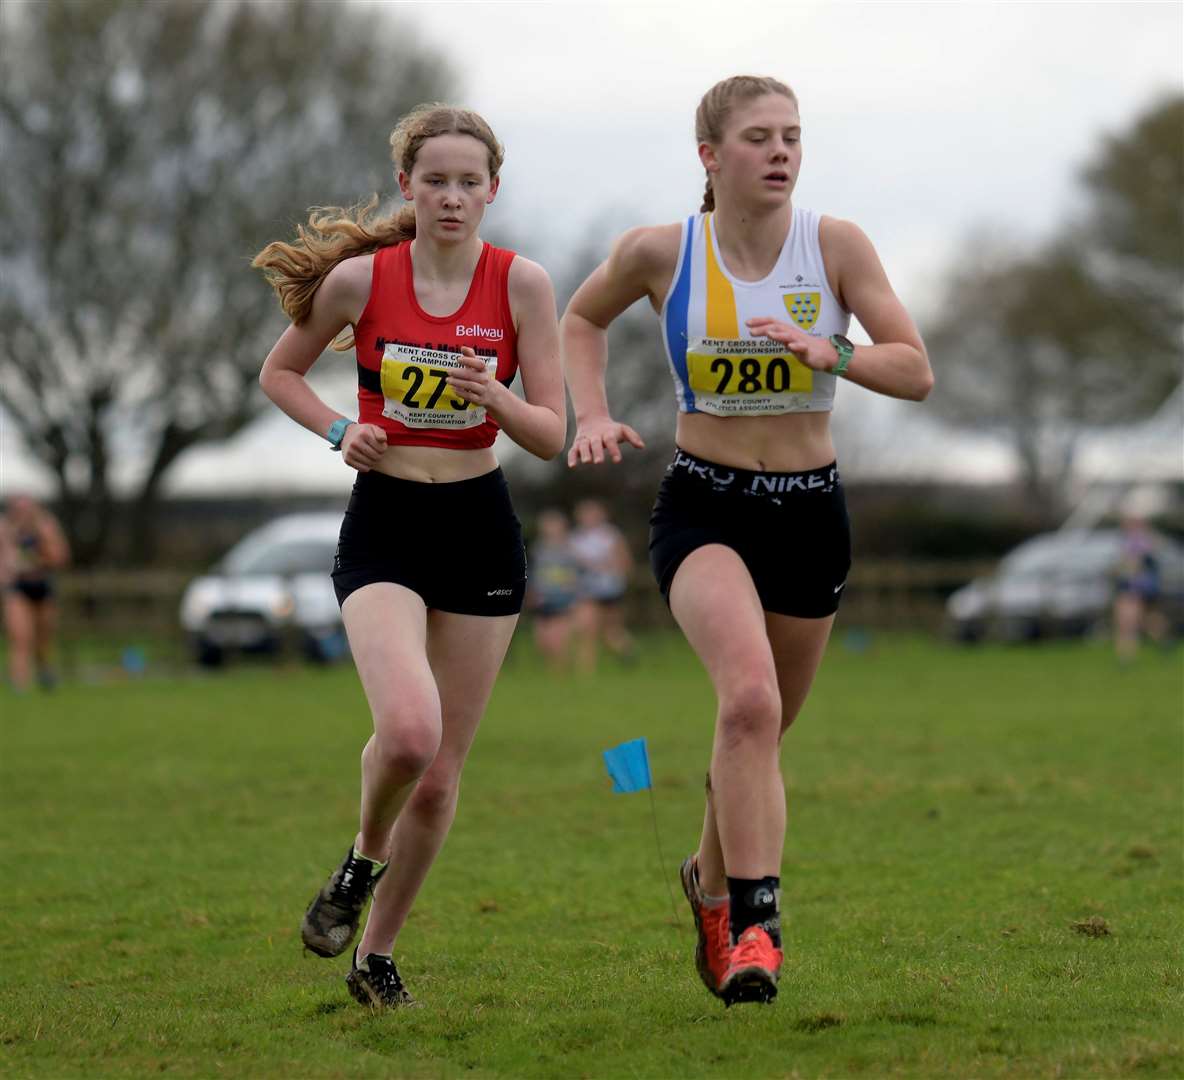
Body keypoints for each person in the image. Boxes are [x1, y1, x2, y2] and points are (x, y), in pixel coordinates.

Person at [562, 75, 932, 1006]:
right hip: (704, 509)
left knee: (763, 727)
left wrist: (834, 353)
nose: (781, 153)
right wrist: (593, 413)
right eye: (760, 137)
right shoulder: (659, 250)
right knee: (749, 702)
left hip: (811, 513)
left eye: (793, 137)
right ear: (710, 156)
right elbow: (579, 318)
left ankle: (705, 875)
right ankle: (755, 924)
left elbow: (916, 370)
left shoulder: (835, 246)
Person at [252, 103, 565, 1009]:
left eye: (471, 183)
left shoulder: (523, 285)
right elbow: (278, 373)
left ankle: (376, 954)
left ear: (493, 192)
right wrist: (340, 428)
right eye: (437, 180)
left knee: (440, 778)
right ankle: (358, 865)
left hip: (479, 525)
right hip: (385, 522)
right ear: (408, 187)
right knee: (410, 731)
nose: (453, 197)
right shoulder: (359, 282)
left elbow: (549, 433)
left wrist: (494, 397)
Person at [1, 494, 71, 692]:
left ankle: (44, 670)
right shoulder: (5, 529)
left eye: (26, 510)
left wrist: (39, 560)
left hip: (43, 585)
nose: (22, 514)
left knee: (43, 639)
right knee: (21, 637)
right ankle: (19, 683)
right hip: (17, 588)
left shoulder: (46, 527)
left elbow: (61, 558)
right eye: (18, 510)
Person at [569, 498, 636, 670]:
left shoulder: (611, 535)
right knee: (586, 631)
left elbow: (625, 562)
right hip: (586, 591)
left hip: (610, 589)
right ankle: (585, 675)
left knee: (610, 632)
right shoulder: (575, 539)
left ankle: (627, 652)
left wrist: (612, 570)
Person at [525, 508, 584, 672]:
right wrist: (531, 593)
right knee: (542, 642)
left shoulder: (570, 549)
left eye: (554, 524)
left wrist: (575, 597)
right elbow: (532, 573)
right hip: (542, 600)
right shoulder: (538, 549)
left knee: (557, 641)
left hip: (563, 600)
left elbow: (578, 574)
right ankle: (558, 671)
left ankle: (561, 676)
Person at [1112, 513, 1165, 662]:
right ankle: (1127, 656)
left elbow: (1135, 564)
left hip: (1135, 587)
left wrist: (1125, 568)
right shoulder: (1131, 540)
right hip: (1130, 586)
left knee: (1128, 623)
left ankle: (1126, 657)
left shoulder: (1139, 540)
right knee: (1133, 621)